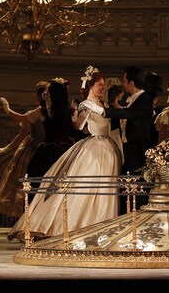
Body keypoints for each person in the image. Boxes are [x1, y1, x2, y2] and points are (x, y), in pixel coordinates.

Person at [15, 67, 122, 238]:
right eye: (100, 85)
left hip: (108, 148)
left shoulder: (105, 105)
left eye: (104, 85)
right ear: (91, 86)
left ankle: (102, 224)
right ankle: (71, 224)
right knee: (87, 186)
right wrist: (84, 114)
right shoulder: (85, 104)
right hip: (95, 146)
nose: (103, 88)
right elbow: (78, 127)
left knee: (105, 188)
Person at [0, 81, 48, 219]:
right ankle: (28, 217)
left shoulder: (40, 112)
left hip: (41, 152)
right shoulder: (40, 112)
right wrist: (6, 149)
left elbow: (19, 118)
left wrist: (7, 109)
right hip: (37, 151)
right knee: (27, 186)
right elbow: (21, 135)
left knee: (35, 185)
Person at [101, 66, 156, 177]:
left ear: (131, 83)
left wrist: (101, 111)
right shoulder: (134, 99)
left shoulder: (145, 99)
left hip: (139, 149)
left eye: (124, 80)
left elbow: (129, 113)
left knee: (136, 180)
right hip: (130, 147)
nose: (123, 83)